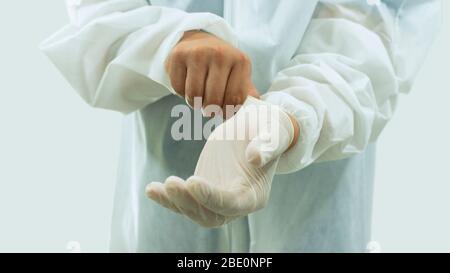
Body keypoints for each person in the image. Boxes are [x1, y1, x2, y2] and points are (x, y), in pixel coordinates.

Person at [41, 0, 441, 252]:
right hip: (163, 214)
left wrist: (291, 118)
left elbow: (375, 30)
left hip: (314, 206)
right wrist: (171, 42)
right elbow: (100, 13)